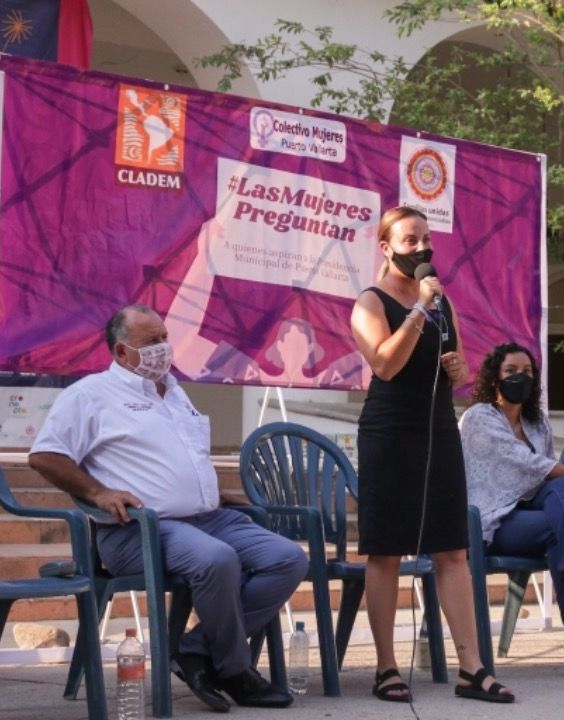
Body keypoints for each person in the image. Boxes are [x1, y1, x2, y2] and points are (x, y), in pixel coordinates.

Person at [28, 305, 308, 712]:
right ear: (121, 352)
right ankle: (234, 670)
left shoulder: (175, 392)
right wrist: (98, 492)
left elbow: (179, 457)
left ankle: (194, 651)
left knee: (287, 559)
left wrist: (209, 491)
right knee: (216, 560)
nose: (163, 348)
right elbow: (45, 456)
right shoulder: (90, 395)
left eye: (164, 338)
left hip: (208, 518)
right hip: (138, 529)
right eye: (151, 341)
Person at [350, 206, 513, 703]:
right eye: (410, 240)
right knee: (386, 551)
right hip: (389, 432)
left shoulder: (442, 300)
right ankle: (386, 667)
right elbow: (385, 364)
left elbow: (456, 368)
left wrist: (460, 368)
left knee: (452, 549)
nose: (422, 248)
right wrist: (419, 310)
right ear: (386, 248)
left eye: (426, 238)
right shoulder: (371, 302)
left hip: (438, 429)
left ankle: (472, 669)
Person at [459, 343, 564, 680]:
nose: (519, 377)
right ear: (494, 378)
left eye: (527, 372)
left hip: (534, 513)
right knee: (563, 533)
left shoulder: (538, 423)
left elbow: (548, 479)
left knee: (562, 499)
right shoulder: (478, 418)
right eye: (511, 371)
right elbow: (532, 465)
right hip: (493, 521)